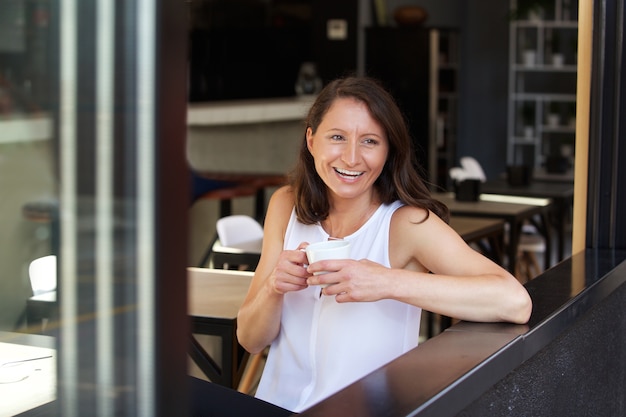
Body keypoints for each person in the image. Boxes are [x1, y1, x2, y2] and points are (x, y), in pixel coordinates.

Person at [236, 76, 532, 413]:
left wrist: (385, 281)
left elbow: (513, 302)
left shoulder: (406, 224)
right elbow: (249, 338)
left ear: (388, 149)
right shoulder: (287, 204)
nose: (351, 158)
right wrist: (274, 287)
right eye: (337, 137)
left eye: (370, 141)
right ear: (311, 140)